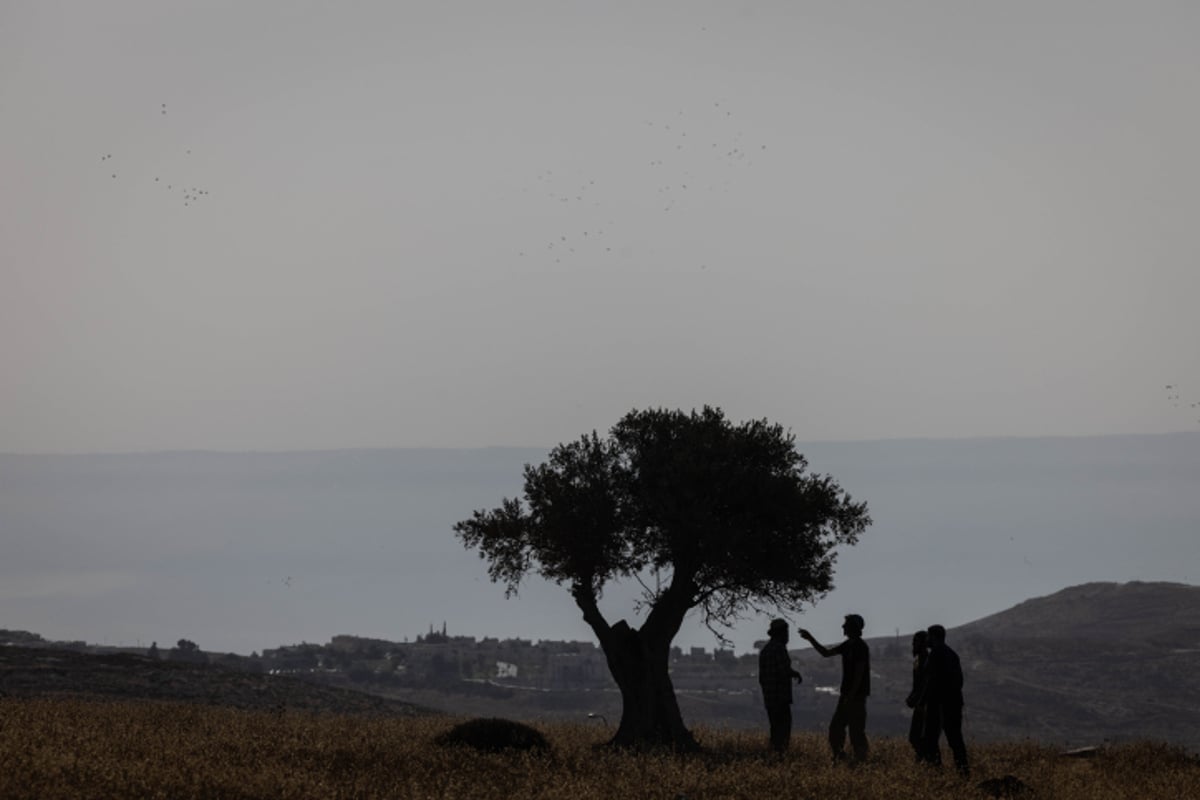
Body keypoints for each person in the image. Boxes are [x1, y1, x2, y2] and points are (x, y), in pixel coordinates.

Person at [800, 614, 870, 764]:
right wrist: (810, 638)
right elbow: (826, 653)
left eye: (846, 625)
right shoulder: (848, 645)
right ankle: (841, 757)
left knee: (856, 732)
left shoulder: (860, 647)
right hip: (847, 695)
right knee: (836, 729)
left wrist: (851, 694)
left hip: (854, 697)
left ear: (853, 627)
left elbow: (859, 672)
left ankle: (861, 762)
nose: (843, 627)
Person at [920, 624, 969, 776]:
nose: (926, 639)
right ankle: (963, 773)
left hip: (938, 703)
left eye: (928, 636)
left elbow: (931, 680)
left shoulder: (935, 654)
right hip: (953, 702)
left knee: (929, 740)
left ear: (933, 637)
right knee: (955, 740)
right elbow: (960, 681)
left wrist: (922, 700)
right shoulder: (952, 654)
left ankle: (936, 773)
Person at [758, 618, 803, 755]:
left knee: (775, 729)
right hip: (781, 698)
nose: (787, 636)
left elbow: (762, 677)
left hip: (770, 698)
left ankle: (774, 755)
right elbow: (784, 670)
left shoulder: (765, 650)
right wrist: (795, 673)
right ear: (781, 633)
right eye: (786, 632)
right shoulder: (779, 648)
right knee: (783, 731)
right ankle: (780, 756)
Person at [905, 630, 930, 761]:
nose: (913, 644)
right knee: (917, 737)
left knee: (917, 737)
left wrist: (919, 701)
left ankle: (926, 762)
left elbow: (925, 683)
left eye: (916, 641)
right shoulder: (918, 660)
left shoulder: (926, 659)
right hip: (920, 703)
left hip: (924, 705)